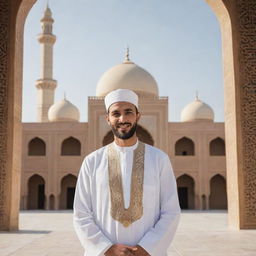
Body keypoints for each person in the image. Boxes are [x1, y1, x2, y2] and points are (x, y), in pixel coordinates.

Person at [73, 89, 180, 256]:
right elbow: (81, 213)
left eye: (128, 112)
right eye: (116, 113)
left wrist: (147, 248)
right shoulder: (92, 162)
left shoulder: (159, 159)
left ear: (138, 115)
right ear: (108, 119)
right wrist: (106, 248)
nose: (122, 119)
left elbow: (171, 211)